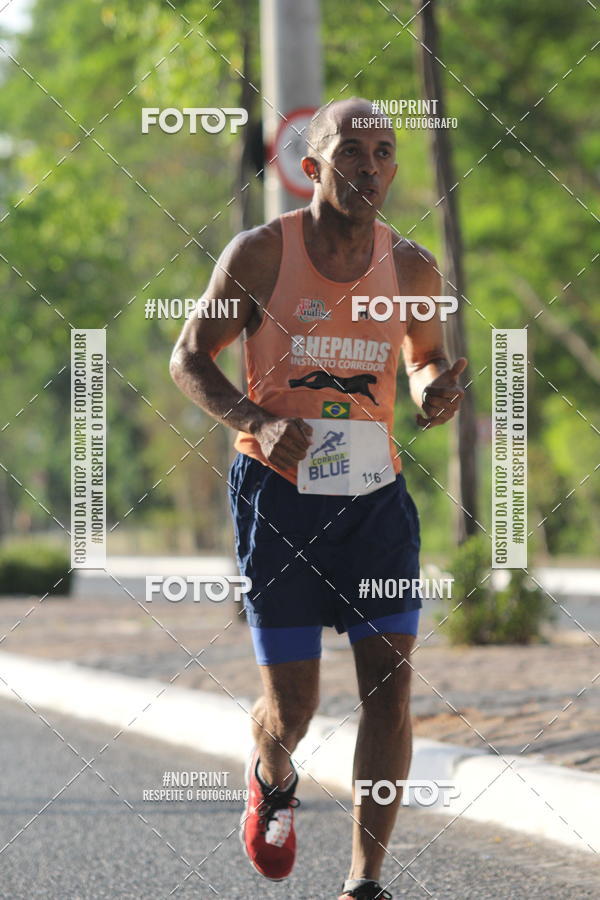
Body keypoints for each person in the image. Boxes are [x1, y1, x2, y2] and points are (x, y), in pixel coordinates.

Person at [170, 97, 466, 900]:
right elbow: (189, 356)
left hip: (375, 498)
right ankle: (272, 775)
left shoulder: (411, 266)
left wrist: (435, 388)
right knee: (292, 706)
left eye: (383, 152)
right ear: (313, 167)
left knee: (391, 686)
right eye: (351, 152)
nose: (369, 166)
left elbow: (425, 359)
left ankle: (365, 880)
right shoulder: (261, 253)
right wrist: (256, 421)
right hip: (279, 496)